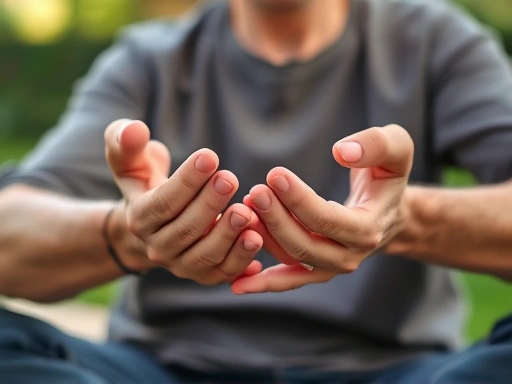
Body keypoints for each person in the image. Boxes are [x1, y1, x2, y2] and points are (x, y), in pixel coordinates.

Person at [0, 0, 511, 382]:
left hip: (398, 371)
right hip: (160, 369)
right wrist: (130, 234)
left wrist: (407, 218)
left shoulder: (435, 40)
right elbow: (9, 232)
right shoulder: (148, 58)